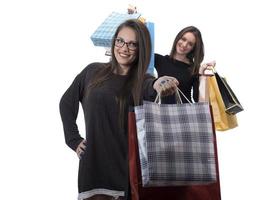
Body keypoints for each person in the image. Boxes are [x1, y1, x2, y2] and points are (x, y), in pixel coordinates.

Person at [59, 19, 178, 200]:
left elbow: (152, 86)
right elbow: (66, 103)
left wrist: (159, 82)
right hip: (93, 170)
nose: (124, 48)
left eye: (132, 44)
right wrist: (73, 140)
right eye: (120, 41)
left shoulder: (143, 81)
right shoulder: (92, 72)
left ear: (141, 49)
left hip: (127, 174)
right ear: (114, 41)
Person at [154, 25, 216, 104]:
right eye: (183, 39)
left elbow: (199, 101)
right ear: (178, 38)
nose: (184, 45)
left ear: (193, 48)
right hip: (161, 112)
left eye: (190, 44)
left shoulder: (195, 69)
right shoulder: (159, 60)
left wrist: (202, 75)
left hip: (184, 114)